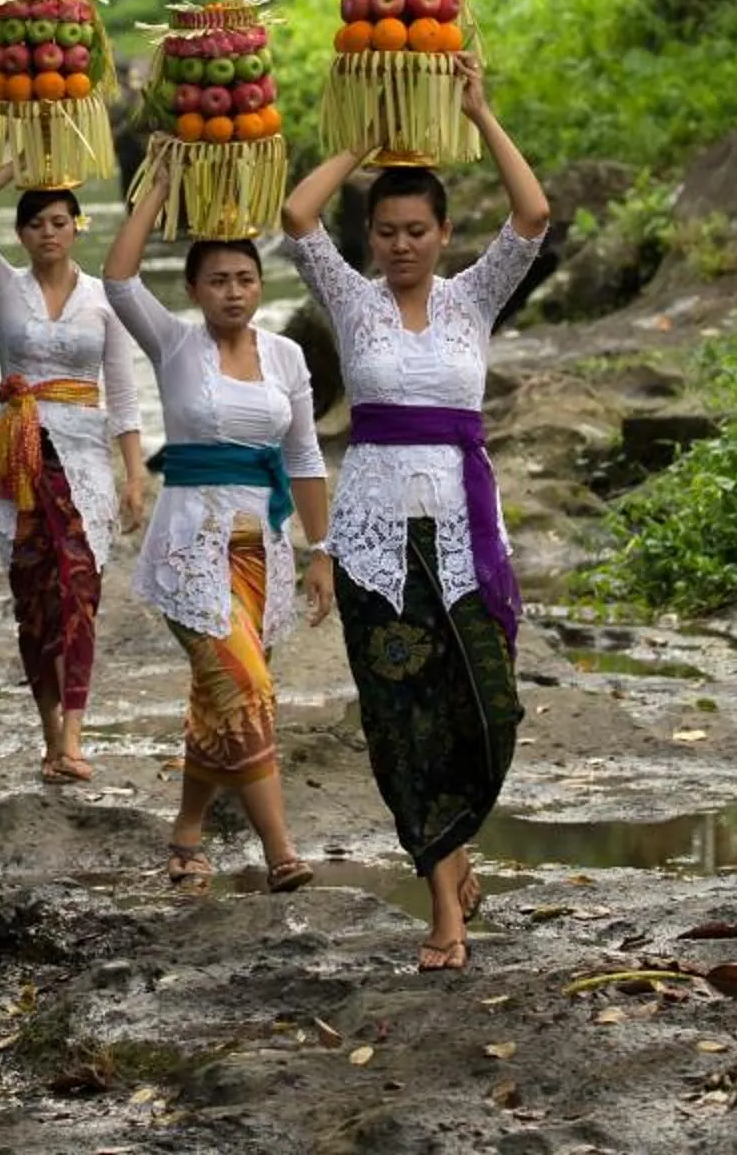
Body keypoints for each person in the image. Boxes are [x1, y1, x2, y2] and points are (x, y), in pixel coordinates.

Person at [280, 56, 550, 971]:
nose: (400, 245)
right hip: (372, 538)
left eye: (416, 230)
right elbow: (296, 217)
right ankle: (444, 905)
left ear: (442, 233)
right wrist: (359, 144)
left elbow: (533, 217)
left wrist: (481, 113)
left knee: (488, 705)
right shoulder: (352, 305)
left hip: (467, 533)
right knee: (402, 716)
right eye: (386, 230)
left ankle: (458, 841)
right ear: (372, 237)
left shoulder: (475, 298)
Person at [100, 169, 331, 893]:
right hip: (187, 545)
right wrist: (160, 190)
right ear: (196, 290)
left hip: (260, 545)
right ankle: (280, 850)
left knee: (218, 691)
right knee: (246, 682)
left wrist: (320, 551)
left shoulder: (287, 357)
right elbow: (117, 279)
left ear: (259, 285)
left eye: (245, 278)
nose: (233, 291)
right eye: (218, 280)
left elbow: (304, 456)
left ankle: (187, 834)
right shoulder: (174, 345)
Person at [0, 164, 147, 782]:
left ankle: (75, 736)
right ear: (21, 233)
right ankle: (49, 735)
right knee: (34, 597)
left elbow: (124, 389)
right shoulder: (4, 287)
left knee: (79, 589)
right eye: (34, 223)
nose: (48, 232)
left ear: (77, 227)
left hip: (84, 457)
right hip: (21, 456)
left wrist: (134, 472)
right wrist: (16, 165)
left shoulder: (104, 299)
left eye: (59, 221)